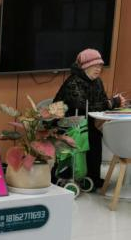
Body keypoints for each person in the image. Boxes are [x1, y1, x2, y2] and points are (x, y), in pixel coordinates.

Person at [53, 48, 126, 188]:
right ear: (85, 66)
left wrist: (114, 103)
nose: (99, 69)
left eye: (100, 66)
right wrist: (110, 103)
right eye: (95, 65)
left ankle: (93, 177)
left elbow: (102, 103)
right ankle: (65, 174)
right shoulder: (73, 82)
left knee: (95, 136)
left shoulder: (97, 82)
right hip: (68, 123)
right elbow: (83, 106)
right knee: (91, 136)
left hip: (86, 122)